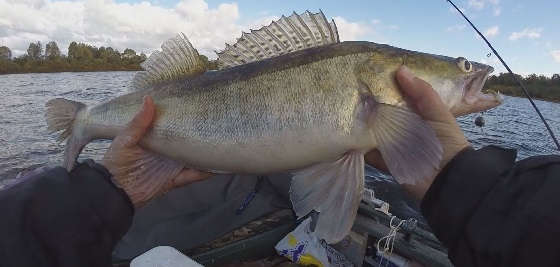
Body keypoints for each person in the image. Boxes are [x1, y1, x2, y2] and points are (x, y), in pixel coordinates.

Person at [1, 66, 559, 267]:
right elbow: (424, 156)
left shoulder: (372, 116)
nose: (471, 75)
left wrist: (454, 176)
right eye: (460, 69)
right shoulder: (377, 100)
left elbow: (380, 165)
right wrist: (459, 180)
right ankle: (84, 121)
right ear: (394, 77)